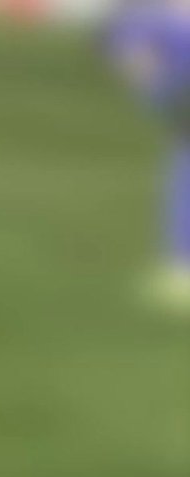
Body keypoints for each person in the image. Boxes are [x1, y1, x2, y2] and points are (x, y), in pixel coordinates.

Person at [108, 0, 190, 310]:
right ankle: (182, 267)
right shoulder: (150, 15)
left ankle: (182, 269)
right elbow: (134, 59)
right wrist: (162, 95)